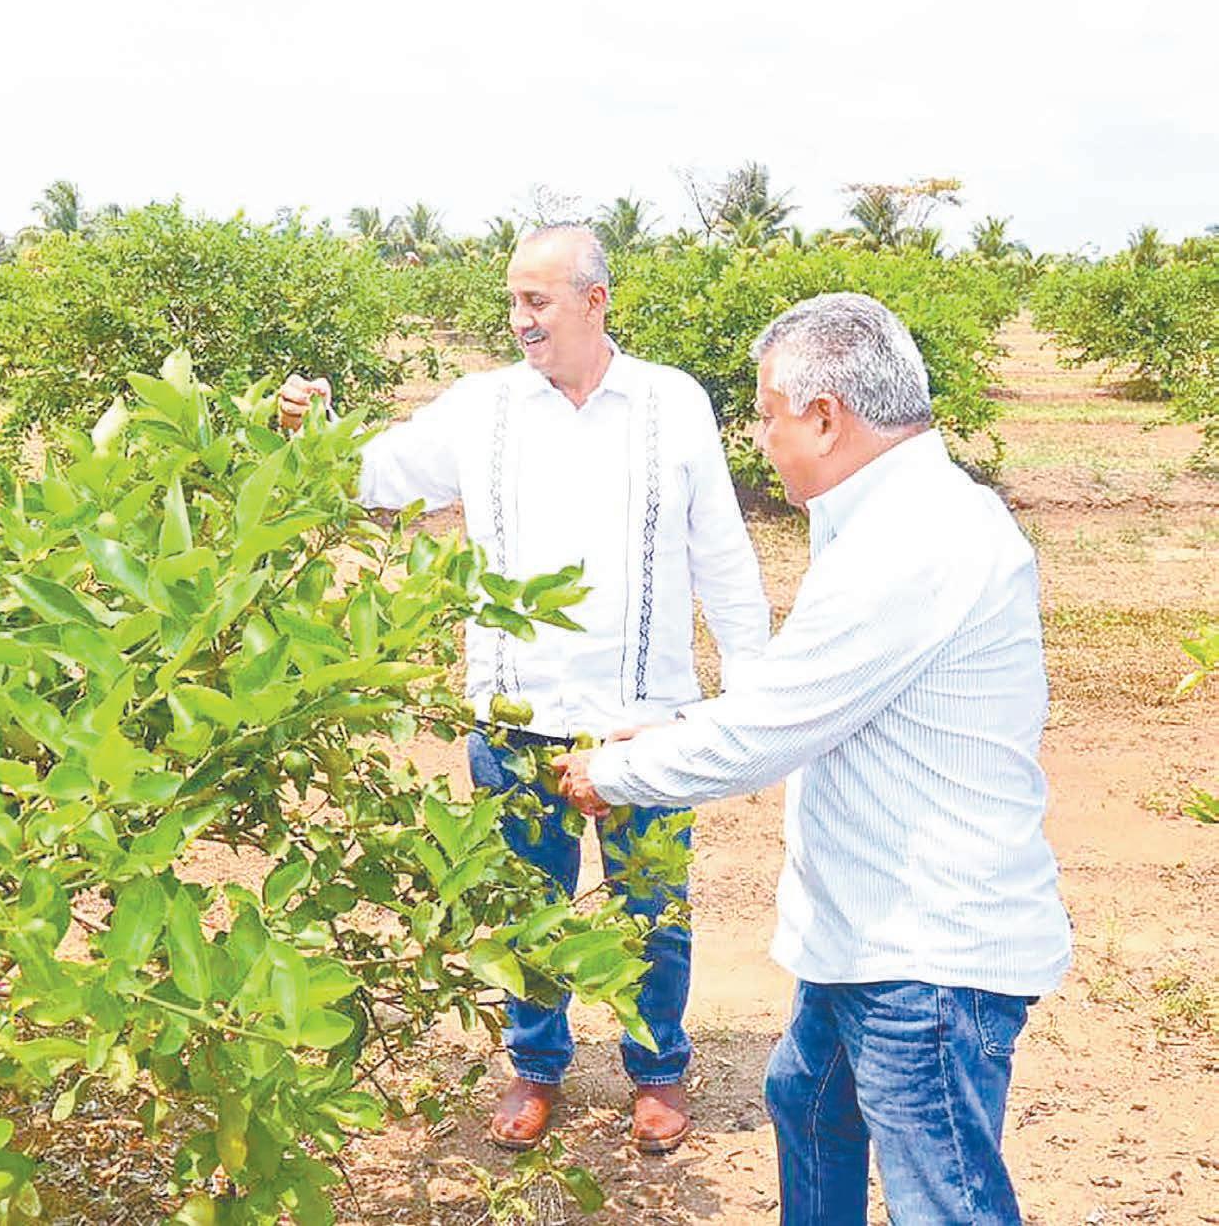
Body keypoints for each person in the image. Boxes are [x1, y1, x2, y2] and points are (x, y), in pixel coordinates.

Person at [551, 292, 1072, 1222]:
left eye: (767, 415)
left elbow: (769, 731)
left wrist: (613, 772)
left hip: (927, 958)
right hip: (868, 937)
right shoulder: (886, 514)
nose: (760, 439)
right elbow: (812, 689)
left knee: (941, 1197)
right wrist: (669, 731)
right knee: (805, 1102)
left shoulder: (916, 537)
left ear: (825, 417)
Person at [278, 224, 770, 1153]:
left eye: (536, 300)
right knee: (521, 905)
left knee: (651, 910)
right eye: (512, 300)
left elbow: (721, 552)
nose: (520, 319)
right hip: (516, 717)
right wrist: (315, 425)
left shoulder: (671, 402)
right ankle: (535, 1064)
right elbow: (377, 474)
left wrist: (749, 699)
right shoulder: (483, 405)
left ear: (595, 300)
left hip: (643, 724)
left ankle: (656, 1067)